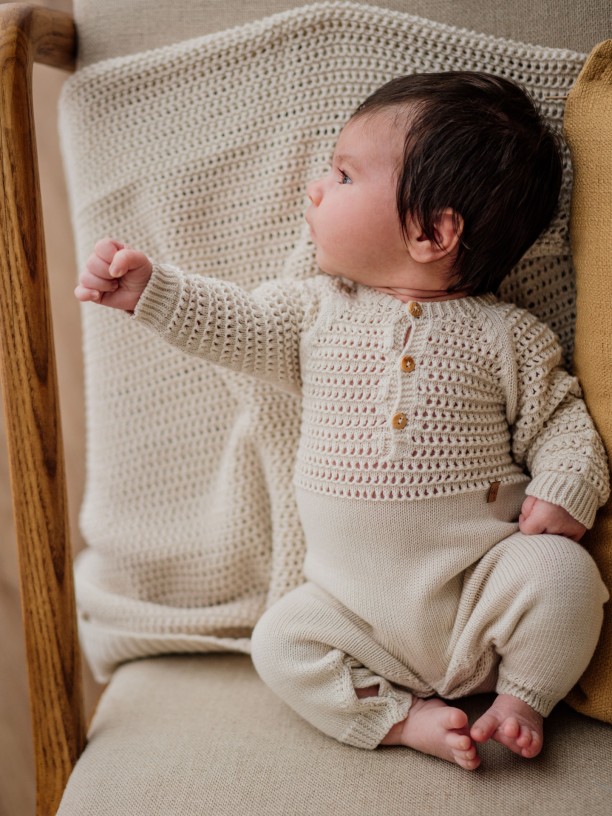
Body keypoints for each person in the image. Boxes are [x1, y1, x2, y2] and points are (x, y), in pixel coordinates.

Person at [74, 71, 609, 771]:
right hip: (354, 615)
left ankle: (522, 697)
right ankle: (401, 719)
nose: (316, 188)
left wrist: (567, 486)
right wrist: (153, 290)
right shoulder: (315, 311)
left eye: (345, 175)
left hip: (480, 592)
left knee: (563, 574)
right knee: (278, 641)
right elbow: (237, 322)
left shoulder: (509, 338)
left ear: (431, 230)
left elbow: (564, 421)